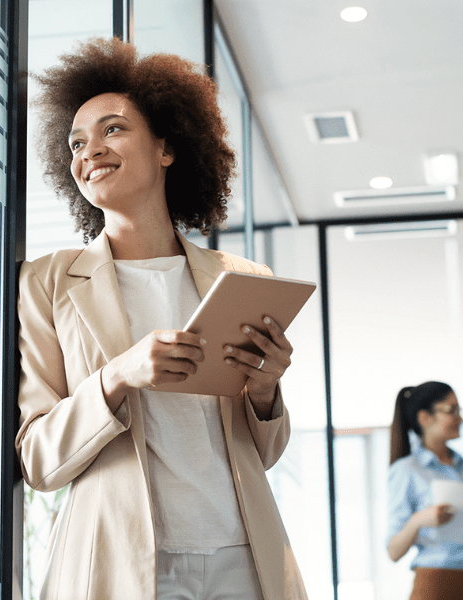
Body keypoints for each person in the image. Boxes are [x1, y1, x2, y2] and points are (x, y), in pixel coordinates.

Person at [15, 38, 306, 600]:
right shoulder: (47, 282)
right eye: (76, 142)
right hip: (118, 563)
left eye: (112, 129)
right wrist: (119, 375)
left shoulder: (241, 277)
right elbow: (38, 460)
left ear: (167, 148)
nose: (89, 151)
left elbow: (263, 454)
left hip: (243, 556)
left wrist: (267, 390)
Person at [386, 381, 463, 600]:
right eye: (451, 410)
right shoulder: (407, 471)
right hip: (434, 584)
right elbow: (393, 551)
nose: (460, 418)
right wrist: (418, 520)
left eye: (459, 410)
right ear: (425, 418)